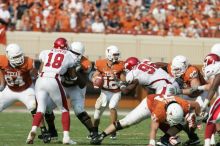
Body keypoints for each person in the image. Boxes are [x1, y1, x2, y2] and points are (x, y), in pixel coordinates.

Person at [90, 56, 180, 145]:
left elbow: (126, 91)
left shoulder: (134, 73)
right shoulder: (145, 61)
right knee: (169, 114)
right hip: (174, 85)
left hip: (165, 90)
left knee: (159, 116)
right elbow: (159, 64)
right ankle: (179, 137)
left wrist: (119, 83)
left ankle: (169, 138)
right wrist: (169, 67)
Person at [91, 94, 201, 146]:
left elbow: (196, 105)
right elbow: (154, 128)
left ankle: (166, 139)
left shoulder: (184, 105)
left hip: (166, 105)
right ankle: (101, 135)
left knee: (184, 121)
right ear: (167, 114)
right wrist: (151, 143)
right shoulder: (159, 112)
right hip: (148, 104)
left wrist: (198, 118)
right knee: (127, 122)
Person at [26, 37, 78, 145]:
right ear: (65, 46)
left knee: (40, 109)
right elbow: (73, 77)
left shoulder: (46, 52)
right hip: (54, 79)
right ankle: (66, 137)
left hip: (40, 80)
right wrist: (72, 76)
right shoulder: (69, 55)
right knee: (64, 109)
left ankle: (33, 130)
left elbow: (40, 70)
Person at [156, 55, 207, 145]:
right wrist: (151, 65)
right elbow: (163, 65)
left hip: (200, 94)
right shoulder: (172, 66)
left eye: (178, 69)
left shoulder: (191, 70)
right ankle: (193, 137)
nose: (175, 72)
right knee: (181, 115)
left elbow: (196, 89)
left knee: (196, 118)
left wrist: (179, 90)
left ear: (185, 66)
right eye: (174, 69)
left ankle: (167, 138)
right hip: (185, 93)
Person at [61, 41, 96, 138]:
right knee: (48, 106)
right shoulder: (62, 58)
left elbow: (82, 84)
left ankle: (93, 132)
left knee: (78, 109)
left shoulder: (85, 63)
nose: (75, 56)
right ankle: (51, 131)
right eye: (73, 52)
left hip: (76, 87)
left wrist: (76, 72)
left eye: (78, 54)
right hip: (63, 85)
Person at [91, 45, 126, 139]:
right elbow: (94, 75)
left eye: (117, 54)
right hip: (104, 92)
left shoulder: (120, 65)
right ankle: (94, 131)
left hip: (116, 92)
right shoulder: (100, 63)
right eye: (115, 54)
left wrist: (116, 78)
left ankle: (113, 130)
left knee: (112, 107)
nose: (117, 56)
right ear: (109, 54)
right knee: (97, 112)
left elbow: (124, 80)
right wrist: (94, 80)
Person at [0, 43, 36, 121]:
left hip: (26, 89)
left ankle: (43, 129)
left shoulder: (29, 61)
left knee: (33, 106)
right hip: (9, 89)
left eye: (19, 56)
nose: (18, 59)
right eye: (15, 57)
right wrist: (2, 83)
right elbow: (1, 70)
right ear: (8, 57)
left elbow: (35, 75)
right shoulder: (2, 60)